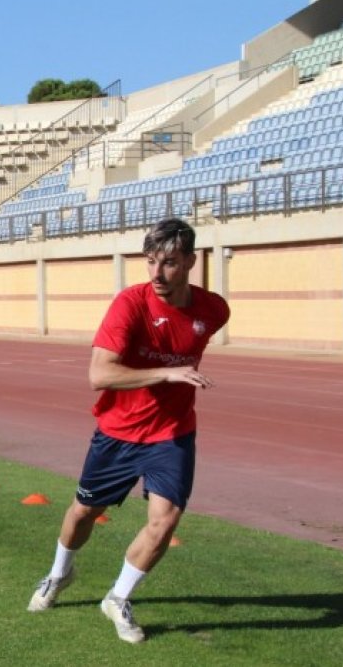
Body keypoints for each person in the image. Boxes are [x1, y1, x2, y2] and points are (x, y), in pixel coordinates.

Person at [26, 218, 230, 643]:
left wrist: (173, 379)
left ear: (191, 261)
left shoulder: (214, 310)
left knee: (165, 520)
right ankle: (59, 574)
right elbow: (100, 375)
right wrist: (168, 374)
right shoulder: (130, 304)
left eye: (170, 263)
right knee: (83, 512)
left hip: (172, 433)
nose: (157, 274)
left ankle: (118, 598)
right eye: (151, 262)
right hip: (119, 431)